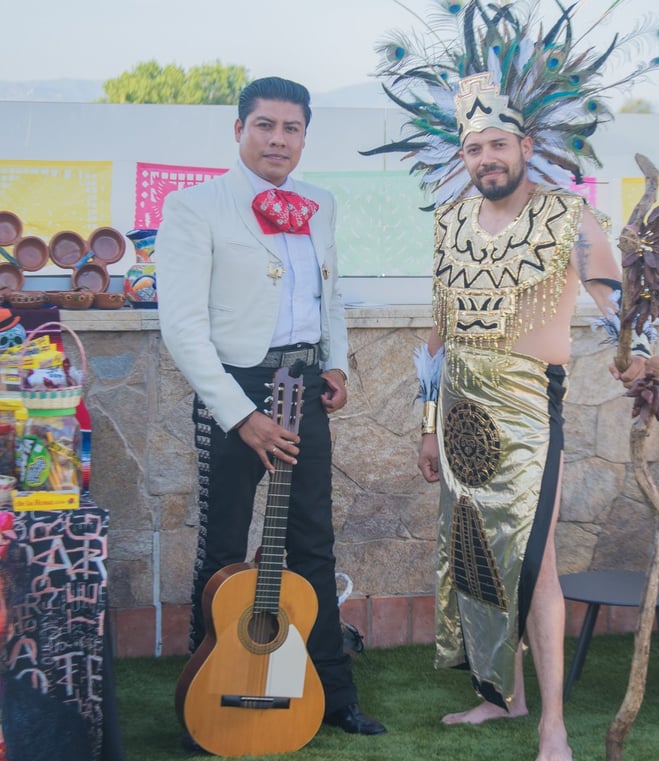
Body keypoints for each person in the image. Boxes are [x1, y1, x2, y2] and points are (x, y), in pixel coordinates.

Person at [363, 4, 659, 760]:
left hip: (531, 405)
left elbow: (622, 315)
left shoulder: (573, 217)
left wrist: (644, 356)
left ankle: (553, 728)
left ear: (527, 146)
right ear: (463, 155)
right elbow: (439, 328)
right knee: (473, 552)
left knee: (533, 565)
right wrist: (425, 422)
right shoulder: (448, 222)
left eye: (497, 143)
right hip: (460, 407)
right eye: (473, 147)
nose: (485, 158)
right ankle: (503, 696)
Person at [155, 76, 386, 741]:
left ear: (305, 135)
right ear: (239, 130)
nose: (278, 138)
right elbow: (183, 326)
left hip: (305, 385)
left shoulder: (321, 202)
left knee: (313, 541)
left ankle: (332, 692)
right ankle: (208, 692)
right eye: (265, 125)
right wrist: (239, 412)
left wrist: (334, 361)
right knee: (223, 547)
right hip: (236, 388)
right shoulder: (195, 207)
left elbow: (329, 294)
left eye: (292, 127)